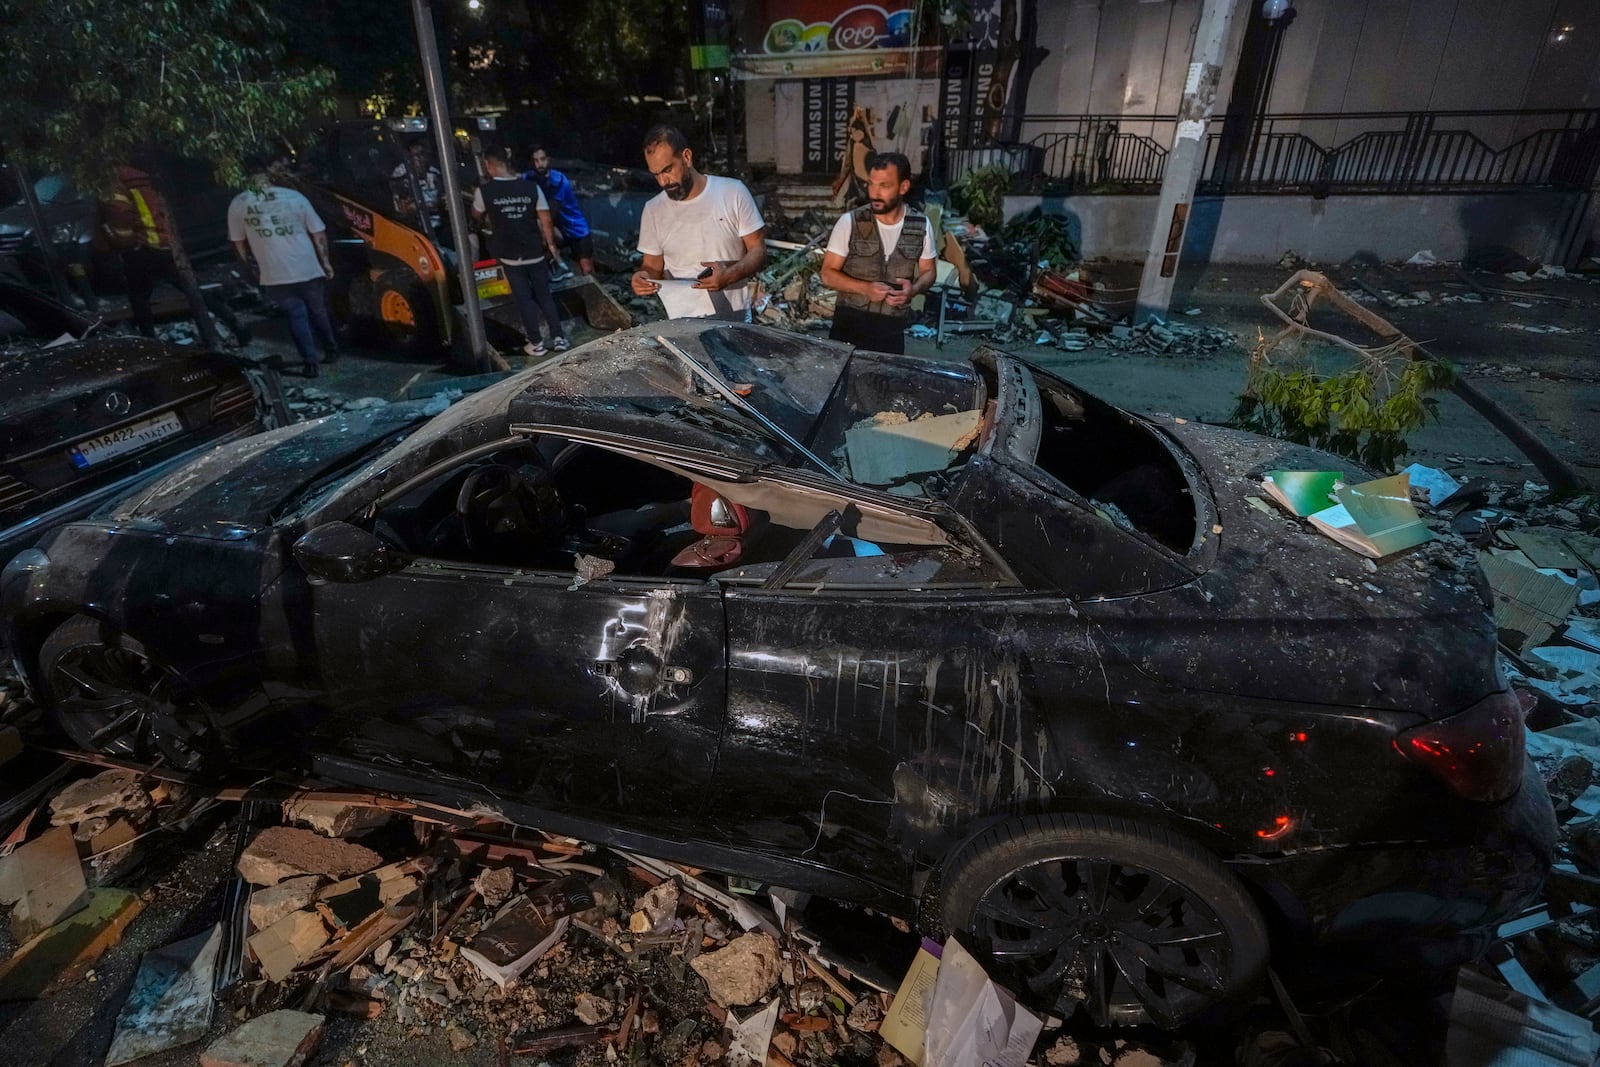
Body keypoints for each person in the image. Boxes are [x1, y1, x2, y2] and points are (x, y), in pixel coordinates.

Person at [100, 165, 251, 346]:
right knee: (189, 287)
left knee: (139, 298)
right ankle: (234, 322)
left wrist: (123, 242)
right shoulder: (147, 175)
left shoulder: (117, 180)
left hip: (142, 246)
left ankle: (151, 344)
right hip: (166, 243)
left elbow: (120, 214)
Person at [630, 126, 765, 320]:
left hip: (734, 322)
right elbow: (652, 267)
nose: (663, 181)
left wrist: (730, 275)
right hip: (682, 327)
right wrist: (642, 278)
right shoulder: (653, 210)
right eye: (656, 174)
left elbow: (758, 250)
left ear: (686, 157)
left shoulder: (732, 192)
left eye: (667, 170)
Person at [227, 155, 338, 377]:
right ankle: (331, 349)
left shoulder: (239, 204)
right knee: (318, 311)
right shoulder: (294, 197)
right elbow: (318, 233)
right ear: (267, 175)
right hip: (307, 267)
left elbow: (238, 244)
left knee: (296, 315)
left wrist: (249, 270)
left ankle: (310, 362)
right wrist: (325, 262)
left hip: (275, 272)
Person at [819, 151, 935, 355]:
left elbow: (929, 271)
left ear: (903, 187)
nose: (874, 193)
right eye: (871, 184)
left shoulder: (921, 225)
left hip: (891, 333)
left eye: (884, 186)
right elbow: (827, 274)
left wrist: (914, 289)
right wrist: (864, 288)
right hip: (848, 330)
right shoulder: (850, 222)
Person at [472, 147, 569, 357]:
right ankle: (559, 338)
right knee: (545, 296)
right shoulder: (531, 188)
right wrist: (552, 247)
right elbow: (545, 219)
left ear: (490, 166)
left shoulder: (484, 192)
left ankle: (536, 343)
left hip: (509, 254)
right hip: (534, 251)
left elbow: (476, 214)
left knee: (524, 299)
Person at [523, 147, 593, 278]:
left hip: (575, 228)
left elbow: (550, 212)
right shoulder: (528, 177)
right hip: (557, 230)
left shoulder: (559, 180)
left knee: (586, 267)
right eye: (535, 160)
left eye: (542, 159)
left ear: (548, 160)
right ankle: (558, 263)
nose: (539, 164)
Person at [391, 140, 443, 231]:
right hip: (412, 225)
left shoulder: (435, 173)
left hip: (437, 224)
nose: (419, 158)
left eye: (422, 154)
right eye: (415, 156)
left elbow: (442, 198)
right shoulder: (400, 173)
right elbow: (402, 207)